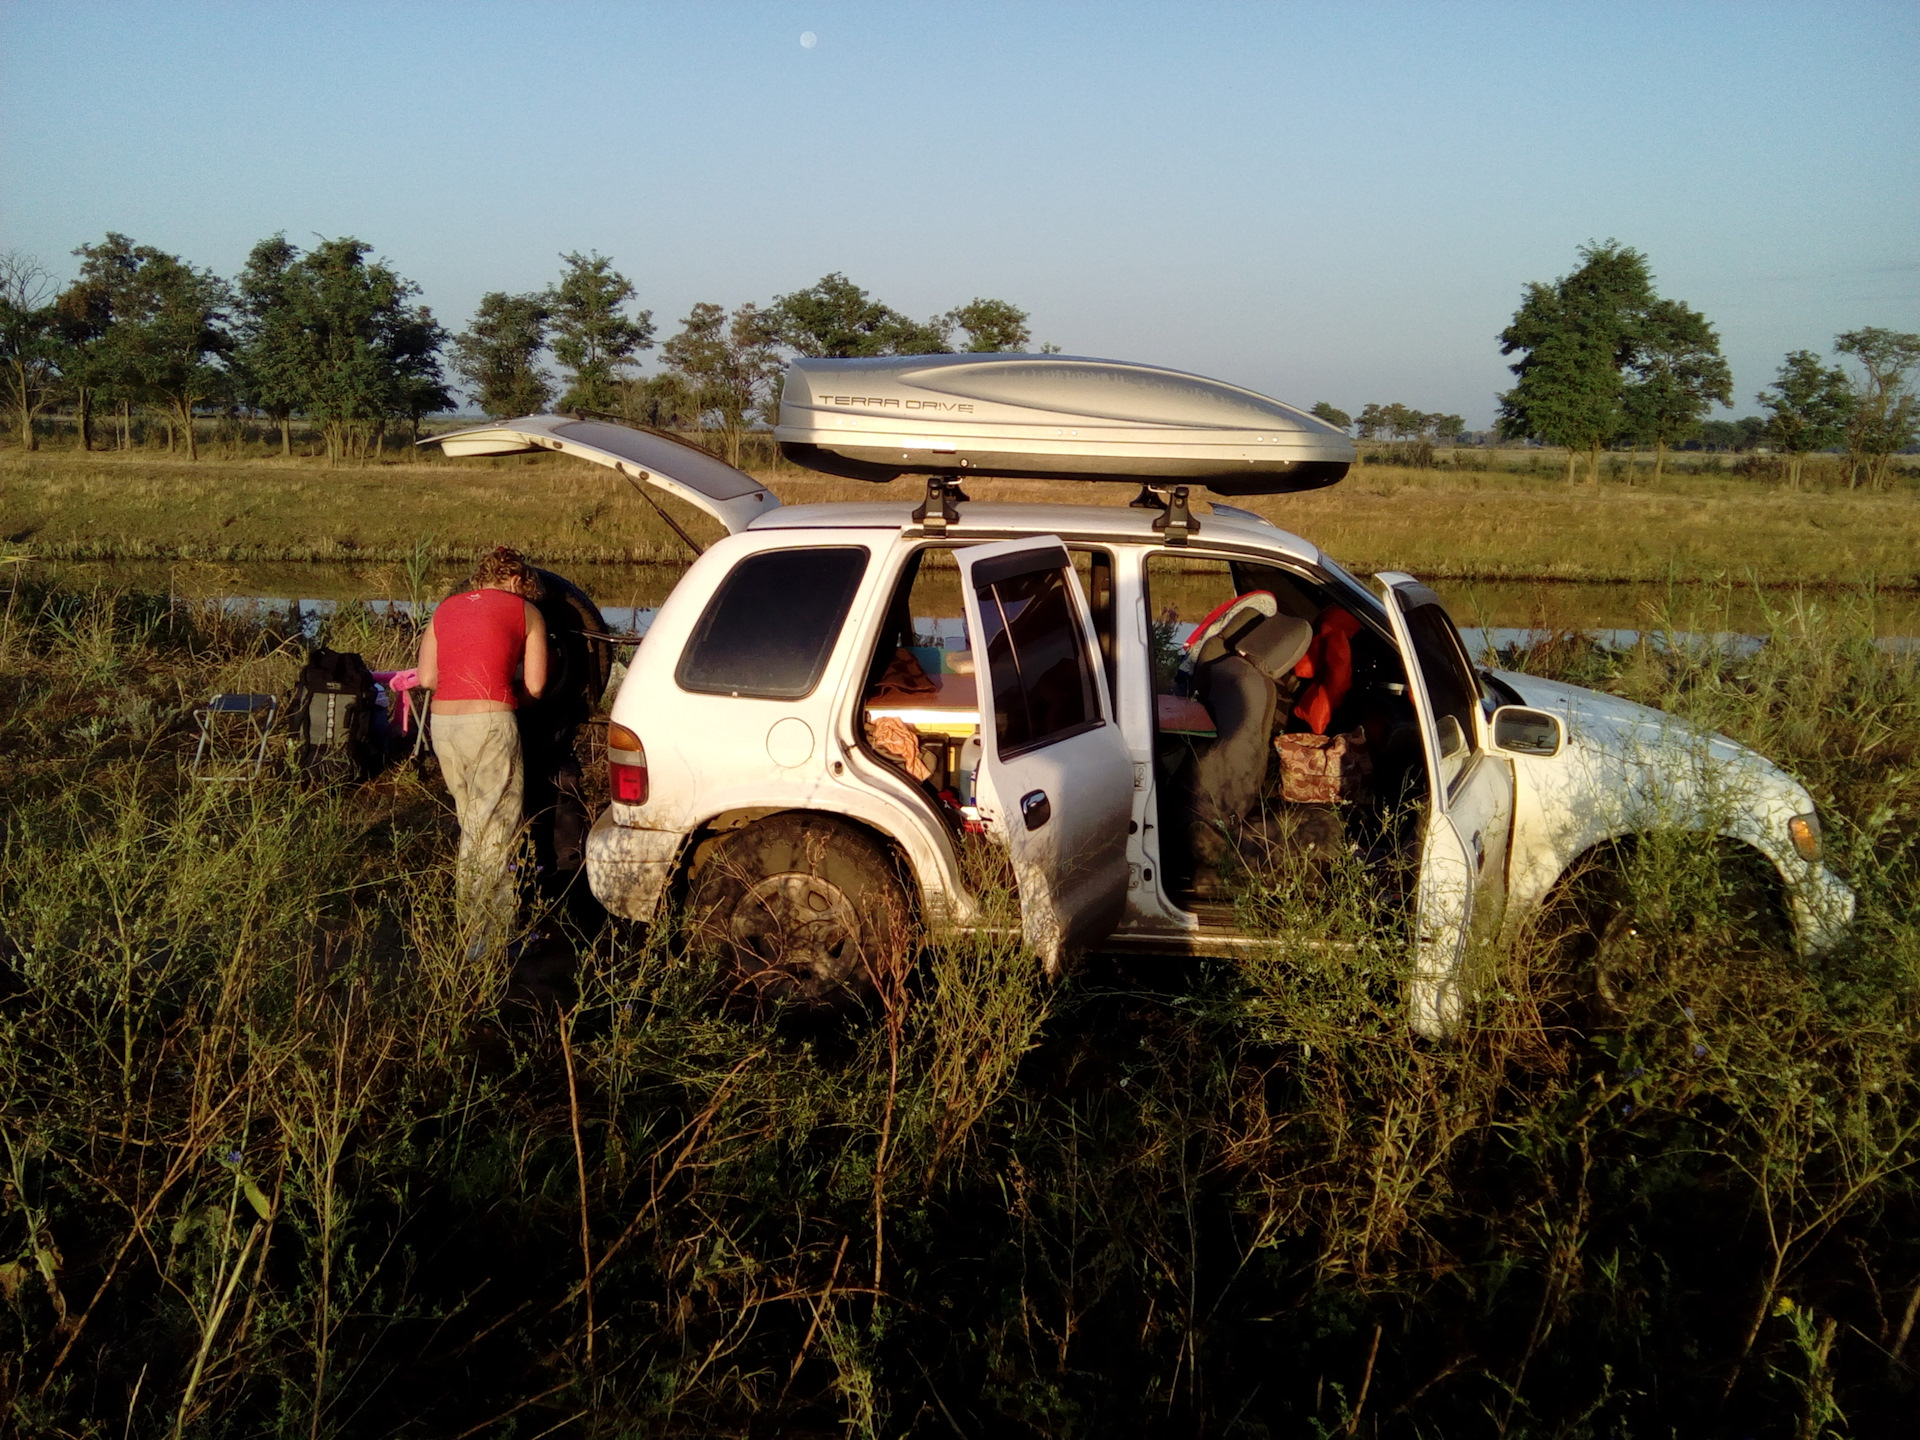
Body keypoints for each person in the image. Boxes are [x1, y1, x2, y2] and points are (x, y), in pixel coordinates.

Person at [416, 547, 548, 953]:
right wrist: (508, 702)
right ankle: (487, 945)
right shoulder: (525, 611)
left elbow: (425, 678)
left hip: (444, 725)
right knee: (494, 833)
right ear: (515, 580)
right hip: (490, 722)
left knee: (472, 826)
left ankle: (468, 928)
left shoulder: (445, 609)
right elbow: (537, 686)